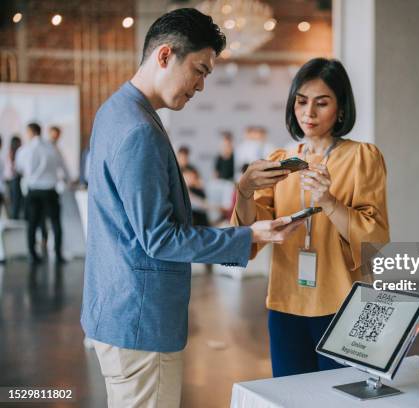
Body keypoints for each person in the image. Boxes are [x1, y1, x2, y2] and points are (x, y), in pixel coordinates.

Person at [80, 9, 302, 408]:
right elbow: (159, 238)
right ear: (165, 56)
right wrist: (249, 236)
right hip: (141, 321)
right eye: (199, 70)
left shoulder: (116, 110)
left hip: (116, 309)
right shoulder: (139, 130)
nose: (200, 86)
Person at [232, 58, 390, 377]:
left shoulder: (362, 157)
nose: (309, 113)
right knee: (290, 396)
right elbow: (250, 233)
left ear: (341, 108)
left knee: (339, 399)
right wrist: (245, 192)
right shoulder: (280, 162)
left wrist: (329, 202)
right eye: (301, 102)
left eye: (322, 103)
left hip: (344, 303)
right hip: (285, 304)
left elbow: (374, 239)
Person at [15, 122, 69, 264]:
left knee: (32, 224)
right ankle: (58, 255)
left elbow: (19, 168)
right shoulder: (52, 148)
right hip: (50, 191)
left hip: (34, 191)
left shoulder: (24, 150)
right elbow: (63, 167)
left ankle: (33, 255)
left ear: (30, 132)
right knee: (55, 223)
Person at [5, 135, 23, 219]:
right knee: (16, 198)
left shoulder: (10, 152)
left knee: (13, 198)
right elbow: (15, 168)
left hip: (9, 179)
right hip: (15, 178)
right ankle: (15, 216)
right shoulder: (15, 153)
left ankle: (14, 216)